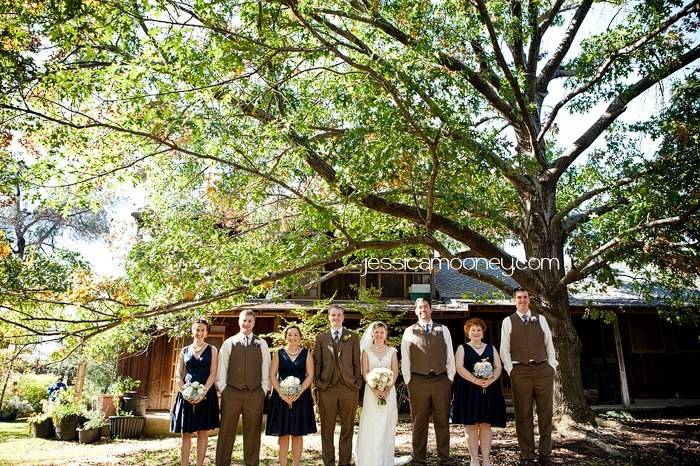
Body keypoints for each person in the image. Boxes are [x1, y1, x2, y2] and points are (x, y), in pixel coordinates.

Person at [500, 288, 558, 466]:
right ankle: (526, 455)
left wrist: (552, 367)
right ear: (514, 301)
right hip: (521, 372)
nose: (522, 300)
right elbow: (504, 349)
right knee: (523, 415)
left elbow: (549, 344)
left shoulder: (540, 319)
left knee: (545, 413)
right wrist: (511, 370)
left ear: (529, 300)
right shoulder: (508, 321)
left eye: (525, 297)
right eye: (519, 298)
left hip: (542, 370)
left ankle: (545, 454)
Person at [400, 298, 455, 464]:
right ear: (416, 311)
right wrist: (409, 381)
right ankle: (418, 457)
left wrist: (449, 378)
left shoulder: (443, 329)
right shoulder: (409, 331)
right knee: (419, 420)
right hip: (418, 381)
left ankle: (444, 456)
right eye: (420, 307)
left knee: (442, 419)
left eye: (425, 307)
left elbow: (450, 356)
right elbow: (406, 358)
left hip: (441, 380)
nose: (423, 310)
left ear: (431, 309)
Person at [215, 310, 271, 466]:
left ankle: (252, 463)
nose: (246, 323)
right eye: (244, 320)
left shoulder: (261, 343)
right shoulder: (229, 343)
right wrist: (224, 389)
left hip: (255, 394)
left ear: (254, 323)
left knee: (253, 433)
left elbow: (266, 367)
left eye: (250, 321)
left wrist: (264, 390)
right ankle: (221, 463)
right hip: (231, 393)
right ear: (239, 321)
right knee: (226, 431)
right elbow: (222, 368)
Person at [450, 318, 506, 466]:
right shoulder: (462, 348)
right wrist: (475, 381)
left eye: (479, 330)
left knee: (486, 424)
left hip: (489, 389)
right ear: (468, 333)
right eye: (472, 330)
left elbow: (498, 367)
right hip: (468, 390)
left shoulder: (491, 348)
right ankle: (474, 459)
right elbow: (459, 367)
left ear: (483, 333)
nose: (476, 332)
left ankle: (486, 459)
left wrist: (490, 380)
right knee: (471, 425)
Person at [313, 304, 362, 466]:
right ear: (329, 317)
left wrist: (356, 383)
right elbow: (317, 363)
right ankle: (328, 462)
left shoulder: (353, 337)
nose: (336, 318)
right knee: (327, 429)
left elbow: (357, 362)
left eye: (339, 315)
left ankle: (344, 462)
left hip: (349, 388)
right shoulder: (321, 338)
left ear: (343, 317)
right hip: (327, 389)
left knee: (347, 428)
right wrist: (318, 384)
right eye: (333, 315)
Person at [171, 318, 220, 466]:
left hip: (205, 395)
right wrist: (185, 390)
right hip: (186, 395)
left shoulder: (212, 350)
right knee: (186, 433)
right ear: (192, 331)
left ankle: (200, 464)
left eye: (202, 330)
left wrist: (202, 392)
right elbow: (179, 374)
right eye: (197, 329)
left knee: (202, 432)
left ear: (206, 333)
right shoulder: (184, 350)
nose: (199, 333)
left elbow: (213, 373)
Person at [354, 321, 404, 466]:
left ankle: (384, 459)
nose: (379, 334)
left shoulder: (392, 351)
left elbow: (395, 371)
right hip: (371, 393)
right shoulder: (366, 351)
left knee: (386, 424)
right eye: (377, 332)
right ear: (372, 334)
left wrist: (387, 389)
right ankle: (369, 458)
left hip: (389, 392)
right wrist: (374, 388)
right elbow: (365, 372)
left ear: (386, 334)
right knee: (372, 423)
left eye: (382, 332)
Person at [266, 325, 317, 466]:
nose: (293, 338)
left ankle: (296, 464)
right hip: (281, 398)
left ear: (300, 337)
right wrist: (281, 393)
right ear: (285, 337)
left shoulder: (306, 353)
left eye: (295, 335)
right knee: (283, 434)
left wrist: (298, 391)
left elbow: (310, 375)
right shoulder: (279, 353)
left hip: (301, 398)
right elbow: (272, 375)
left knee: (297, 433)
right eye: (289, 335)